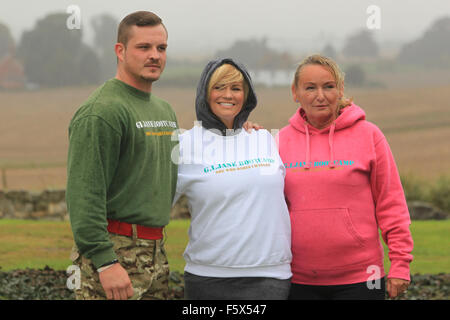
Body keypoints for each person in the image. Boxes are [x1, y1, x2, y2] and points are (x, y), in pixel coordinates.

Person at [278, 54, 414, 300]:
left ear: (340, 90)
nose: (320, 95)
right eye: (310, 87)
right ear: (295, 92)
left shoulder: (369, 135)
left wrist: (401, 263)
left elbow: (391, 203)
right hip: (298, 278)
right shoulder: (279, 141)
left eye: (328, 86)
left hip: (362, 277)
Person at [66, 11, 178, 300]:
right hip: (114, 254)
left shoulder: (164, 111)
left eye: (161, 48)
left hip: (156, 254)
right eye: (144, 47)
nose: (154, 55)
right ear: (120, 51)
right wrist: (105, 261)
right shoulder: (102, 111)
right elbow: (84, 196)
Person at [173, 58, 292, 300]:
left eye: (236, 88)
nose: (228, 95)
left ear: (246, 96)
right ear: (205, 93)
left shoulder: (264, 139)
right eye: (219, 87)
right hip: (207, 278)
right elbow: (154, 205)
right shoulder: (185, 145)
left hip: (270, 277)